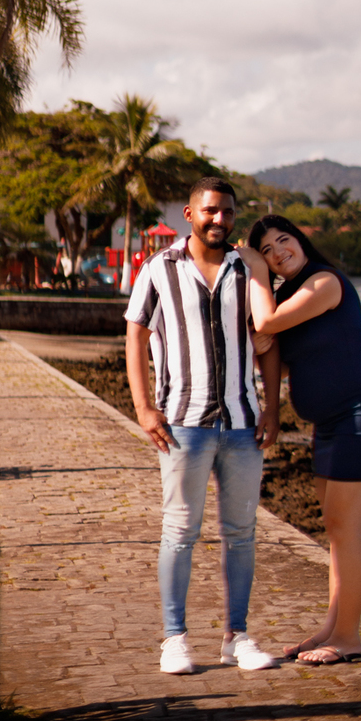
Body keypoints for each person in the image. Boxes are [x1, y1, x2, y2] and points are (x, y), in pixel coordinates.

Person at [125, 180, 281, 676]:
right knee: (179, 531)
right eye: (210, 211)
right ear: (190, 213)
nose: (219, 219)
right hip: (182, 425)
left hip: (242, 424)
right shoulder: (158, 269)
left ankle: (237, 637)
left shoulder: (248, 270)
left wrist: (272, 407)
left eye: (228, 212)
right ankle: (174, 639)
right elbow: (135, 336)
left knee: (241, 534)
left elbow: (268, 340)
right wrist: (143, 408)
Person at [240, 215, 361, 665]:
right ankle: (331, 627)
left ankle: (348, 638)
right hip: (328, 425)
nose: (277, 251)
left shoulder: (325, 283)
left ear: (302, 242)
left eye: (282, 240)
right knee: (336, 532)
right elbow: (282, 356)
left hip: (360, 417)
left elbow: (266, 320)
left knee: (348, 531)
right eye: (266, 248)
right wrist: (265, 342)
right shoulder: (291, 296)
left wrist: (254, 267)